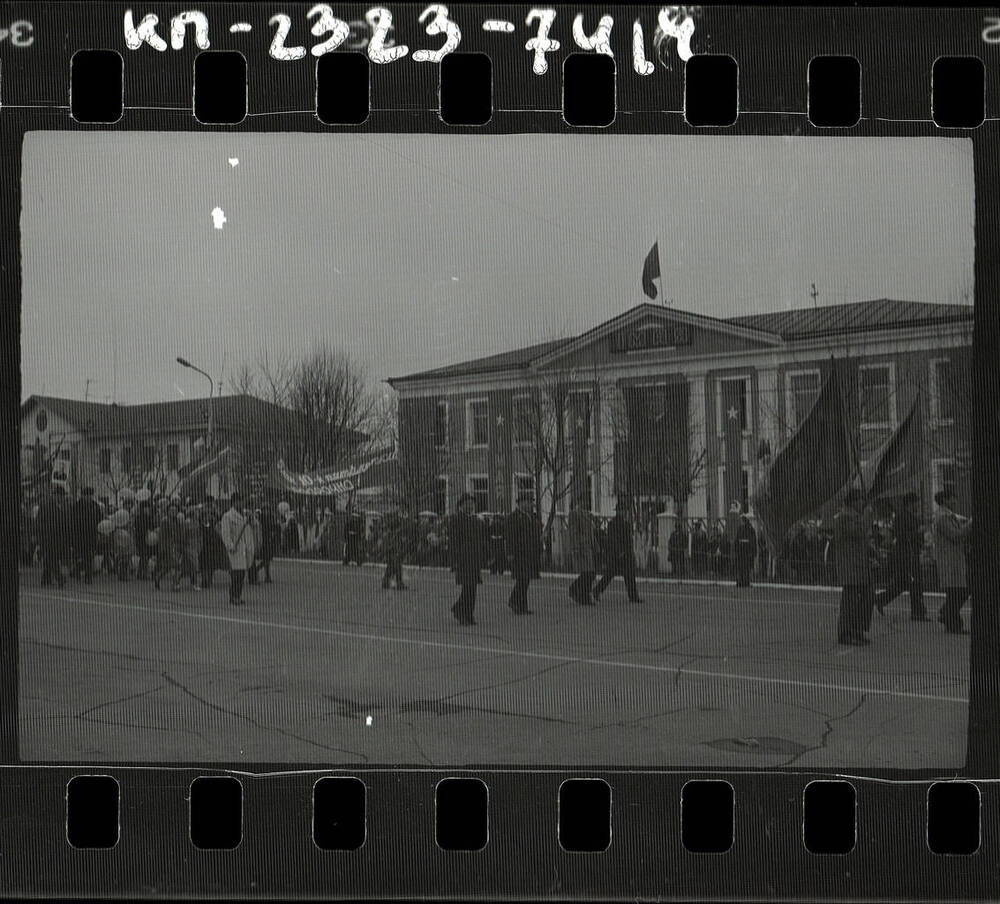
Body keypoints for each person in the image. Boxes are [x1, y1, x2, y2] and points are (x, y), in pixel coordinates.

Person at [832, 488, 875, 646]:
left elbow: (862, 541)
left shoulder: (856, 516)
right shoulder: (843, 516)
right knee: (850, 600)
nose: (862, 502)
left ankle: (858, 630)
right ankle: (845, 633)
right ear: (851, 501)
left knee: (867, 596)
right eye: (859, 499)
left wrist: (874, 553)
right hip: (850, 564)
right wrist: (868, 517)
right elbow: (858, 532)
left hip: (860, 564)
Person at [874, 493, 927, 620]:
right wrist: (918, 532)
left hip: (912, 551)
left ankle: (880, 599)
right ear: (910, 503)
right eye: (916, 502)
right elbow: (902, 535)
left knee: (903, 582)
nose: (918, 505)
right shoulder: (902, 516)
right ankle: (917, 612)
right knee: (914, 581)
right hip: (905, 553)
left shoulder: (911, 516)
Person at [932, 489, 973, 634]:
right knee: (958, 591)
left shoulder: (948, 515)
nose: (955, 501)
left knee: (958, 591)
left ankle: (949, 618)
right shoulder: (942, 517)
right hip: (949, 560)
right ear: (945, 500)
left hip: (954, 558)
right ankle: (951, 621)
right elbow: (955, 535)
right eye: (952, 498)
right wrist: (970, 525)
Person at [593, 498, 642, 603]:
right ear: (618, 511)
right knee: (611, 575)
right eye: (621, 510)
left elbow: (629, 540)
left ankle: (633, 596)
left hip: (626, 554)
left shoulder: (626, 523)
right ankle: (596, 591)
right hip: (618, 554)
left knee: (628, 574)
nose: (623, 512)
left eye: (624, 510)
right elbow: (612, 539)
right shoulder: (613, 524)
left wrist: (630, 553)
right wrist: (619, 551)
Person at [449, 493, 484, 625]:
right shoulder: (456, 519)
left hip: (474, 558)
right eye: (467, 503)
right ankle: (462, 613)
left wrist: (484, 557)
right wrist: (454, 561)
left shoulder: (475, 520)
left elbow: (481, 540)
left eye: (472, 503)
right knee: (467, 587)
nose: (470, 505)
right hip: (463, 558)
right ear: (461, 505)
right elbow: (453, 541)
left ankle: (468, 613)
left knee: (472, 588)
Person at [505, 491, 542, 615]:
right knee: (522, 579)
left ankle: (519, 603)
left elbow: (536, 534)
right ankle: (517, 603)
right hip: (519, 553)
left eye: (531, 501)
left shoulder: (532, 517)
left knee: (525, 580)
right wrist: (510, 553)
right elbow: (510, 537)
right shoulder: (513, 517)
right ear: (520, 503)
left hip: (530, 553)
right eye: (528, 501)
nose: (530, 504)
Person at [219, 492, 253, 606]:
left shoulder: (245, 516)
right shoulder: (227, 516)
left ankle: (238, 595)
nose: (242, 503)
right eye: (240, 501)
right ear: (234, 502)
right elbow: (225, 534)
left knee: (242, 574)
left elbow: (251, 528)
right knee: (236, 574)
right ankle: (233, 596)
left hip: (243, 548)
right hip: (234, 549)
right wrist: (230, 545)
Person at [567, 494, 599, 606]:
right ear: (578, 501)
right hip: (581, 547)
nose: (585, 503)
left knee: (590, 573)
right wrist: (575, 547)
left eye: (587, 501)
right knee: (588, 573)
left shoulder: (588, 515)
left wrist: (596, 546)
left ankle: (579, 593)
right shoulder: (574, 514)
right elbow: (573, 532)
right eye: (583, 500)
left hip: (589, 547)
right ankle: (579, 593)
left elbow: (591, 533)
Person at [37, 486, 69, 587]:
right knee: (52, 558)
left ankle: (45, 580)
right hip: (48, 536)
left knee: (49, 558)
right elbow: (39, 521)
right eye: (60, 496)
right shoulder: (46, 505)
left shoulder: (61, 506)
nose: (62, 498)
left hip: (57, 537)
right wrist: (38, 535)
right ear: (56, 495)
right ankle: (59, 578)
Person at [70, 487, 102, 584]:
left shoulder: (95, 506)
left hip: (92, 534)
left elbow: (99, 518)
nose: (89, 497)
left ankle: (87, 576)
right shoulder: (77, 506)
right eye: (86, 495)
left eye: (90, 495)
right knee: (81, 556)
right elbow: (73, 521)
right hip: (80, 535)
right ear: (83, 495)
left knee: (89, 556)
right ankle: (79, 571)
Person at [381, 507, 415, 590]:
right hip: (394, 547)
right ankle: (398, 583)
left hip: (392, 546)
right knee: (396, 565)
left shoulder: (395, 524)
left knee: (392, 565)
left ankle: (386, 582)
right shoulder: (398, 526)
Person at [153, 502, 183, 591]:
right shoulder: (165, 521)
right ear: (168, 511)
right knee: (176, 566)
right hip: (168, 547)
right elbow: (162, 536)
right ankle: (175, 584)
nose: (173, 512)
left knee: (168, 567)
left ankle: (158, 577)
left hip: (175, 546)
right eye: (171, 510)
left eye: (175, 510)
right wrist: (163, 548)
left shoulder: (177, 521)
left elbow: (179, 533)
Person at [179, 506, 204, 590]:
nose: (198, 514)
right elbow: (183, 534)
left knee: (187, 565)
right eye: (196, 512)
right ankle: (195, 583)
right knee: (195, 564)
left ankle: (190, 582)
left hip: (196, 545)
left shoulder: (197, 522)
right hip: (188, 545)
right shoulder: (187, 522)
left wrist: (200, 544)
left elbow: (200, 534)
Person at [734, 515, 758, 588]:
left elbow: (753, 541)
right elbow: (737, 539)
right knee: (741, 567)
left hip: (747, 551)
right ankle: (741, 581)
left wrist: (753, 551)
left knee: (746, 567)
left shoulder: (750, 530)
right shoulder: (741, 529)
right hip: (742, 550)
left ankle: (745, 581)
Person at [488, 509, 506, 575]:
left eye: (498, 519)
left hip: (500, 541)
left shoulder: (503, 526)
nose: (497, 520)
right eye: (496, 519)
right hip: (493, 542)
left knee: (500, 557)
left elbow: (505, 534)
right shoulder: (491, 526)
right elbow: (488, 534)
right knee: (493, 556)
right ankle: (493, 570)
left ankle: (501, 570)